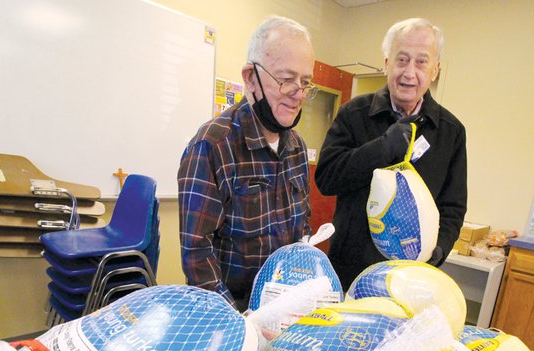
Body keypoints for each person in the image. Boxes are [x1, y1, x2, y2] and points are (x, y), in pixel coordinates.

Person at [314, 17, 467, 290]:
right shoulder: (354, 113)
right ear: (386, 63)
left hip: (410, 278)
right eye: (401, 59)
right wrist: (381, 149)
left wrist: (440, 246)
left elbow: (453, 206)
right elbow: (326, 179)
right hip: (349, 271)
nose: (409, 72)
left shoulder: (451, 131)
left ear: (435, 70)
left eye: (421, 62)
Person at [178, 16, 316, 310]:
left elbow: (301, 226)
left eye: (305, 82)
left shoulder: (297, 148)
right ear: (250, 77)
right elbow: (197, 254)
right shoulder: (212, 146)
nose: (299, 93)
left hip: (284, 309)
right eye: (286, 79)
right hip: (232, 314)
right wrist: (241, 323)